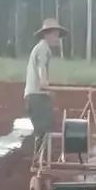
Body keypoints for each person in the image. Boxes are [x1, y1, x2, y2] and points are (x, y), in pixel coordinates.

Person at [24, 18, 67, 154]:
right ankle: (40, 162)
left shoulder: (41, 48)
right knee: (45, 130)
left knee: (42, 131)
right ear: (46, 35)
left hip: (34, 95)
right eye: (55, 35)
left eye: (58, 35)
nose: (57, 38)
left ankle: (40, 161)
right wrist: (46, 86)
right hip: (37, 95)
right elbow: (42, 72)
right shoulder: (43, 49)